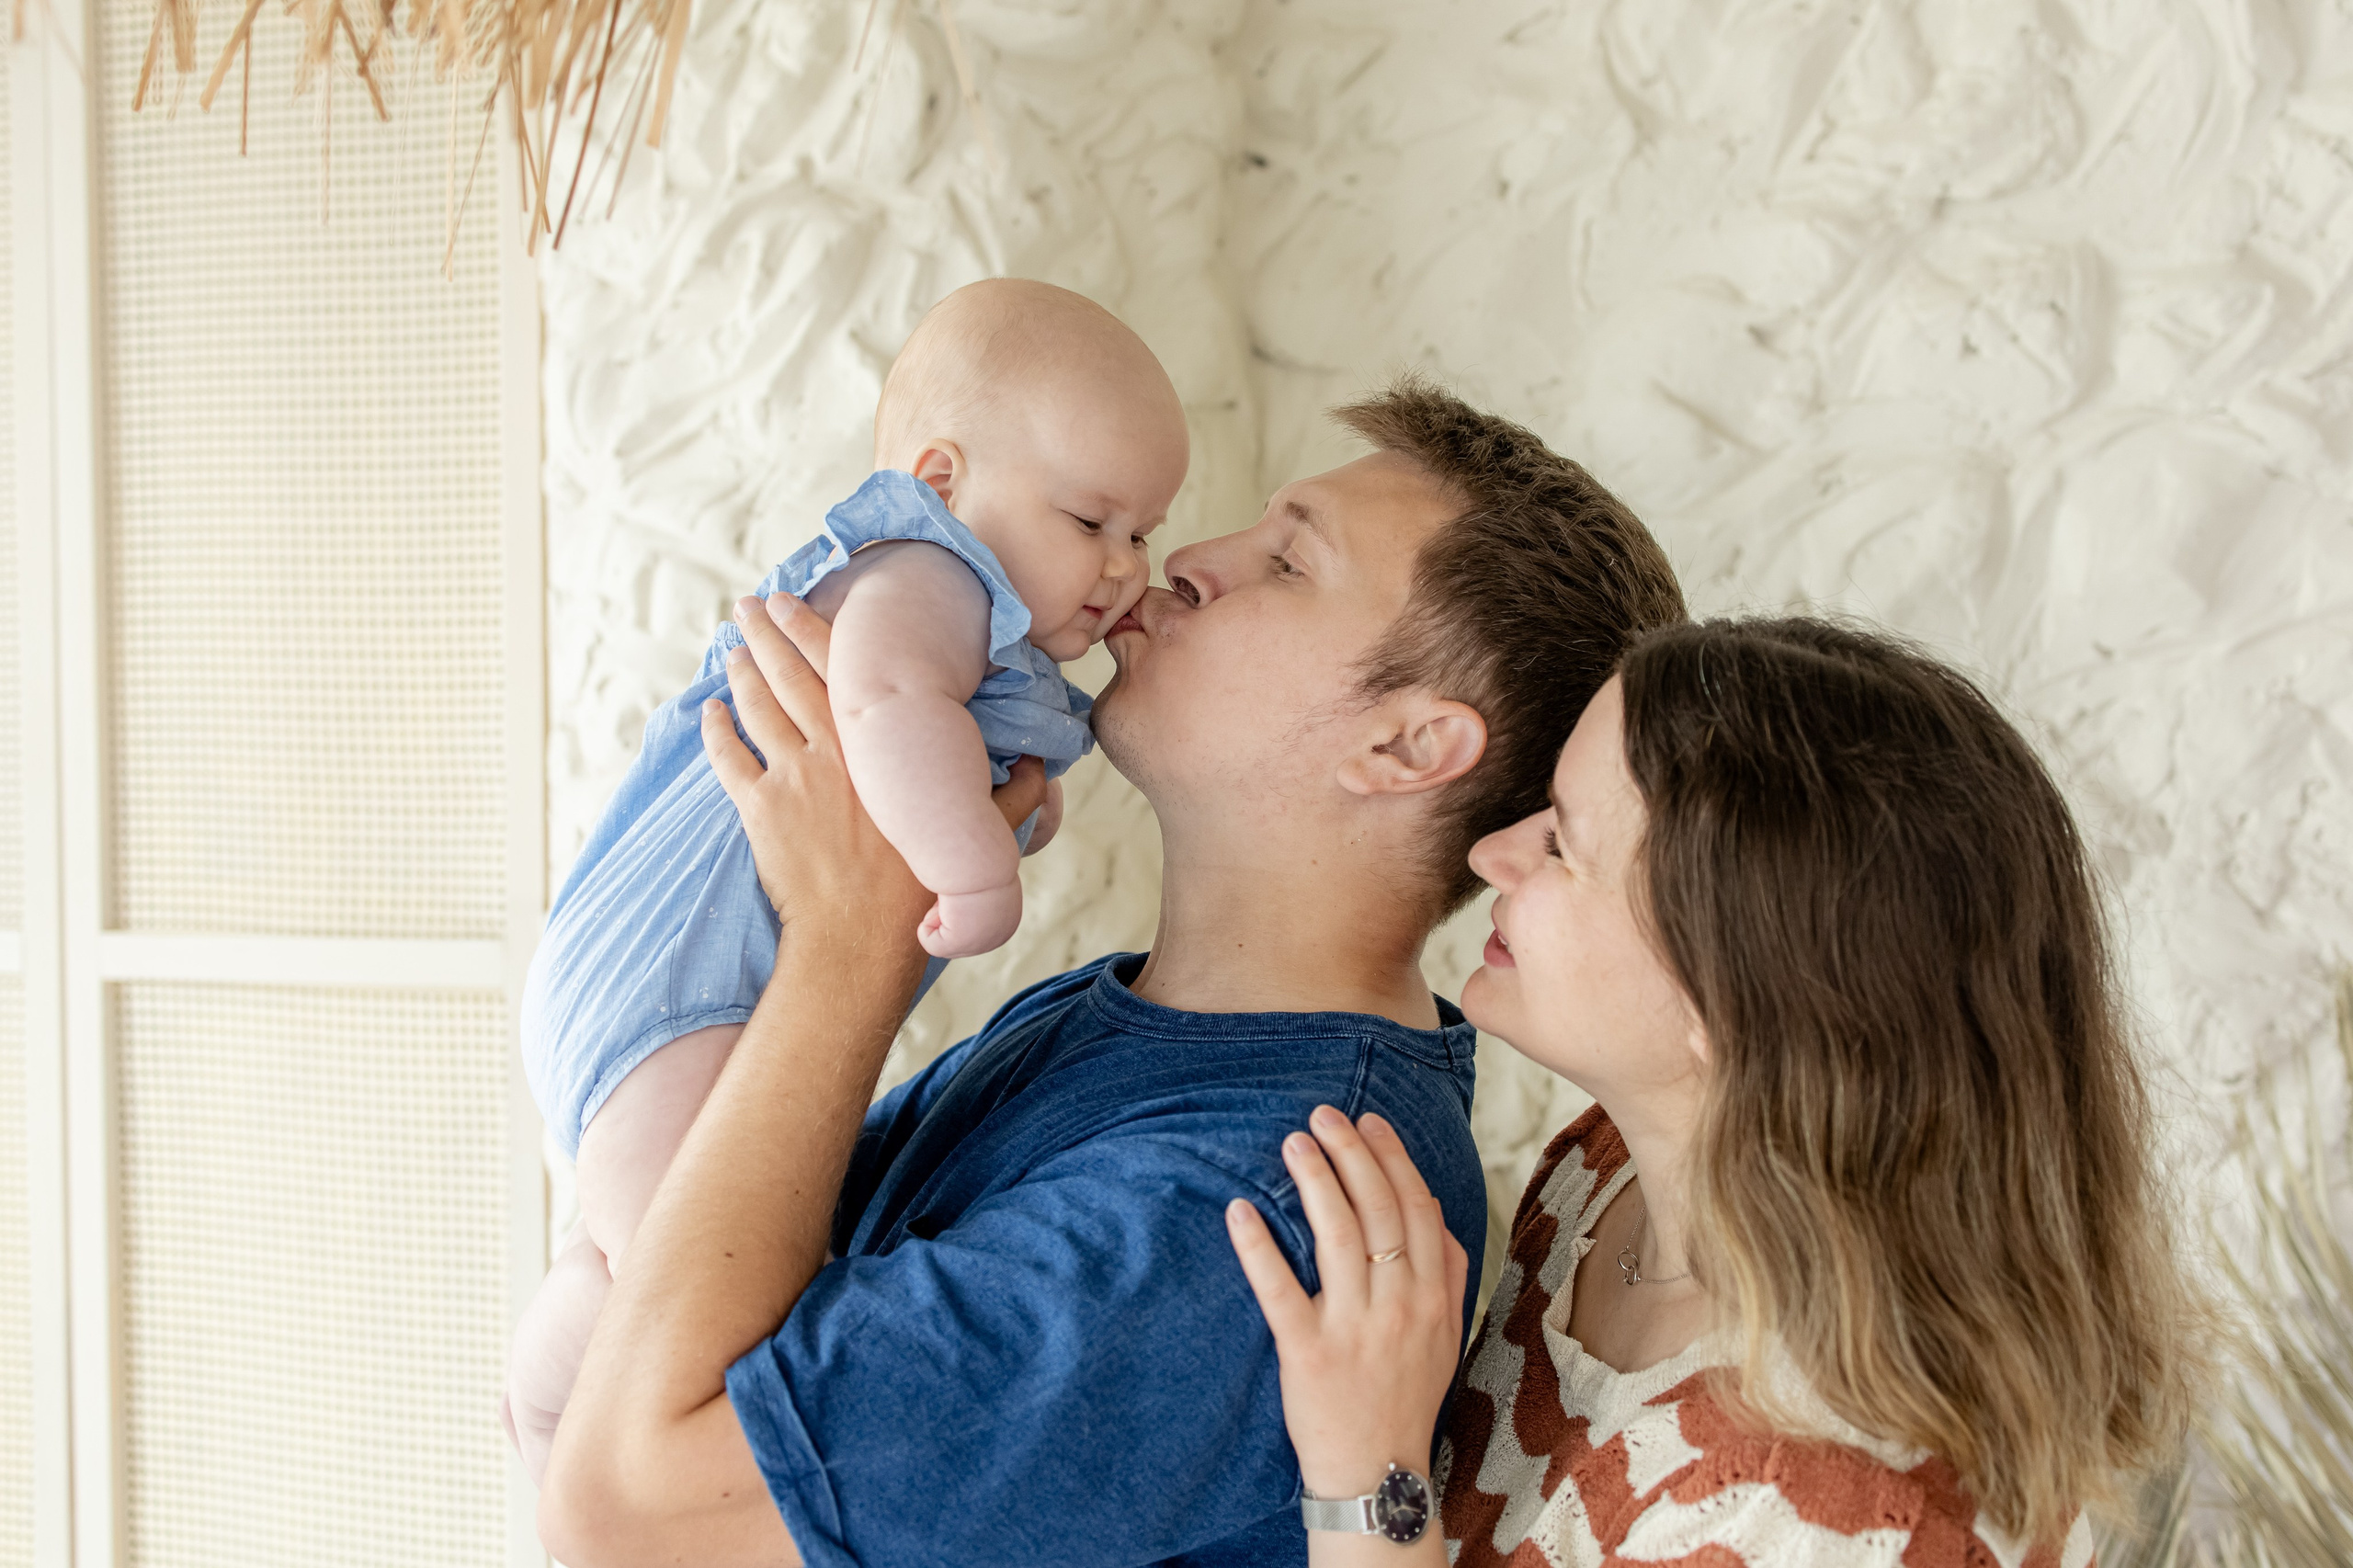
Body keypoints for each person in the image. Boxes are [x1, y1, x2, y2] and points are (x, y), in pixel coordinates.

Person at [535, 378, 1688, 1565]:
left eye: (1288, 563)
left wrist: (851, 938)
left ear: (1405, 743)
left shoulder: (1262, 1206)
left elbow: (628, 1510)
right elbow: (698, 1282)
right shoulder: (1126, 1020)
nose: (1187, 559)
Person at [1224, 618, 2206, 1567]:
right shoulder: (1606, 1168)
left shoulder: (1846, 1516)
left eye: (1563, 845)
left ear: (1725, 998)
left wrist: (1368, 1472)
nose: (1494, 855)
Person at [504, 278, 1190, 1481]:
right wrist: (977, 867)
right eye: (1093, 520)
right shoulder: (931, 569)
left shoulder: (988, 630)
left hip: (673, 993)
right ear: (940, 479)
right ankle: (565, 1424)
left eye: (1145, 531)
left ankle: (570, 1360)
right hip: (679, 976)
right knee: (687, 1275)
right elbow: (884, 702)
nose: (1128, 566)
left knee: (658, 1247)